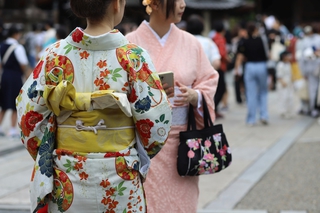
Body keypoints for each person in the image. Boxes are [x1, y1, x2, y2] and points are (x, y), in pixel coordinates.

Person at [16, 0, 172, 212]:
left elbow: (28, 118)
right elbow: (155, 127)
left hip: (66, 174)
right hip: (120, 175)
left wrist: (50, 151)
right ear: (117, 4)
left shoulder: (55, 55)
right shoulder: (134, 57)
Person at [126, 0, 219, 212]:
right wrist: (150, 96)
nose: (183, 4)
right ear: (156, 4)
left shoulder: (191, 42)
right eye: (177, 0)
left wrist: (195, 96)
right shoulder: (130, 43)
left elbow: (208, 79)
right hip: (144, 144)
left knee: (182, 203)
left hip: (183, 143)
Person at [235, 21, 269, 126]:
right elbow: (268, 54)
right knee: (263, 92)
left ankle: (251, 119)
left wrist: (237, 69)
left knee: (251, 93)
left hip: (249, 67)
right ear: (255, 29)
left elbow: (240, 56)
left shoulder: (244, 41)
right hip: (262, 65)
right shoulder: (261, 40)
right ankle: (264, 115)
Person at [0, 25, 30, 137]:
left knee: (3, 103)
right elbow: (23, 64)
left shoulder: (1, 46)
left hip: (5, 75)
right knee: (14, 103)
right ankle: (12, 129)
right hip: (15, 76)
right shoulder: (18, 47)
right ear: (16, 34)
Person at [212, 20, 230, 118]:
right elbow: (222, 54)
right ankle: (213, 109)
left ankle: (215, 109)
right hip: (220, 66)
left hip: (213, 66)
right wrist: (228, 59)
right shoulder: (221, 39)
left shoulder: (213, 37)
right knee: (221, 88)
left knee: (216, 88)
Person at [276, 51, 296, 118]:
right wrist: (283, 82)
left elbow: (290, 74)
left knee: (290, 97)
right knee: (283, 98)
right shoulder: (280, 65)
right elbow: (279, 75)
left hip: (289, 83)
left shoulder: (288, 64)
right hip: (283, 83)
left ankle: (289, 111)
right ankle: (283, 112)